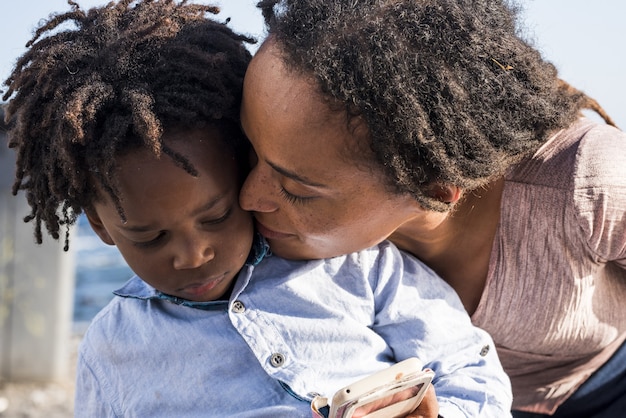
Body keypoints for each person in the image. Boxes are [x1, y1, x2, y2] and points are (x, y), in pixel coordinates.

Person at [1, 1, 513, 416]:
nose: (193, 254)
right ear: (102, 227)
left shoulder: (356, 269)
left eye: (216, 215)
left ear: (243, 173)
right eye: (150, 237)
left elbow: (469, 367)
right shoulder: (110, 351)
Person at [238, 0, 626, 416]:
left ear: (435, 186)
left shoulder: (588, 185)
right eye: (246, 148)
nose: (245, 197)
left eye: (296, 187)